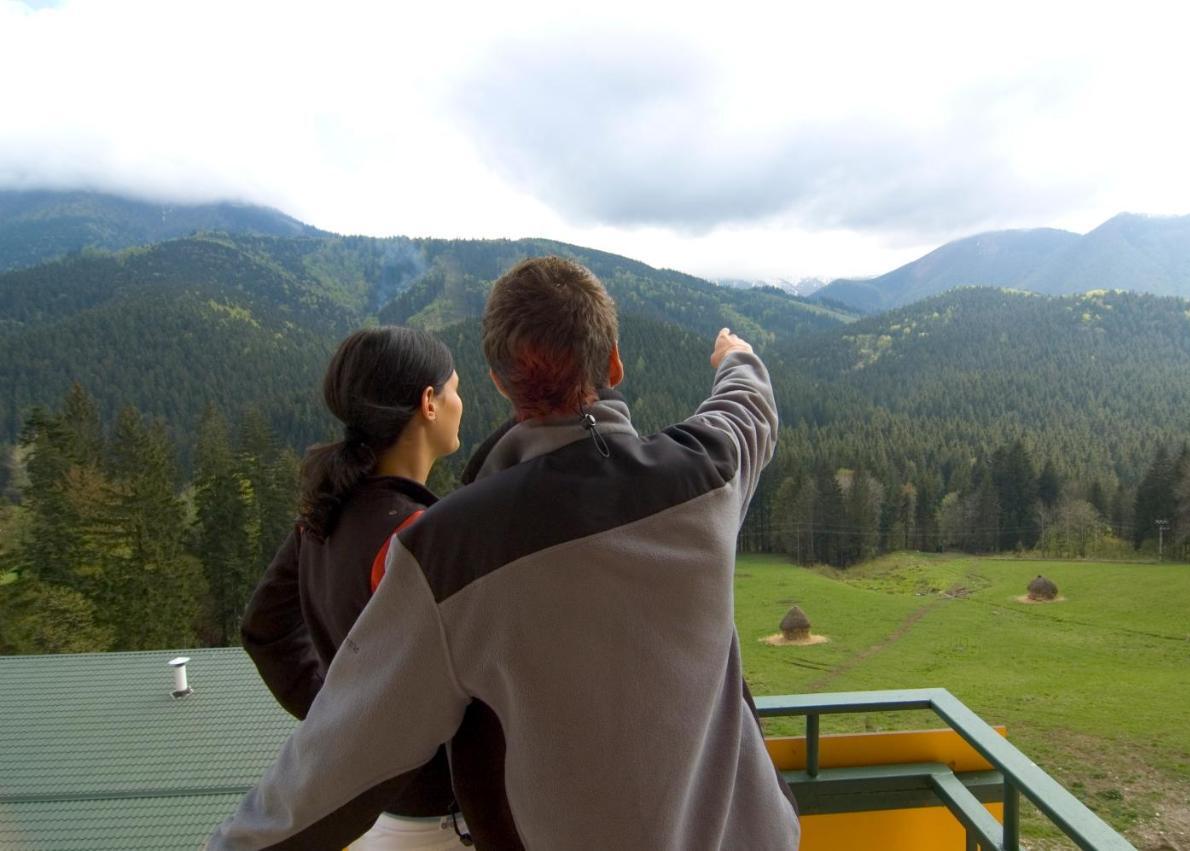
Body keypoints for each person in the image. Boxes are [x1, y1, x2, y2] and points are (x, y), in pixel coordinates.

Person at [208, 257, 800, 850]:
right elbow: (748, 409)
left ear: (499, 381)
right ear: (613, 362)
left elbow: (326, 770)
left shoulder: (448, 551)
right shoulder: (709, 473)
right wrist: (736, 356)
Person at [239, 326, 471, 850]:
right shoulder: (415, 538)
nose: (462, 401)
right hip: (443, 822)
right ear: (429, 403)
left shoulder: (321, 518)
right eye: (455, 387)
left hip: (381, 817)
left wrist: (338, 716)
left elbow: (263, 630)